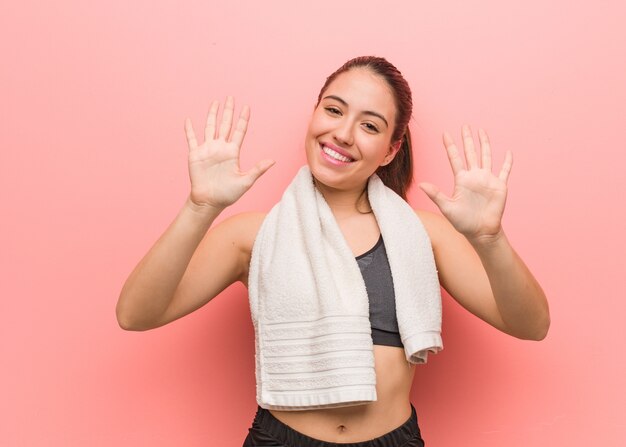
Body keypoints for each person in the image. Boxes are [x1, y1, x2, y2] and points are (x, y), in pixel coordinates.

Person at [116, 56, 550, 446]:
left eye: (370, 125)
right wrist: (200, 207)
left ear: (390, 150)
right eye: (334, 109)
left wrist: (489, 241)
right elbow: (135, 315)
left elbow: (531, 325)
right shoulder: (255, 234)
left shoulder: (421, 234)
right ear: (315, 114)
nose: (342, 133)